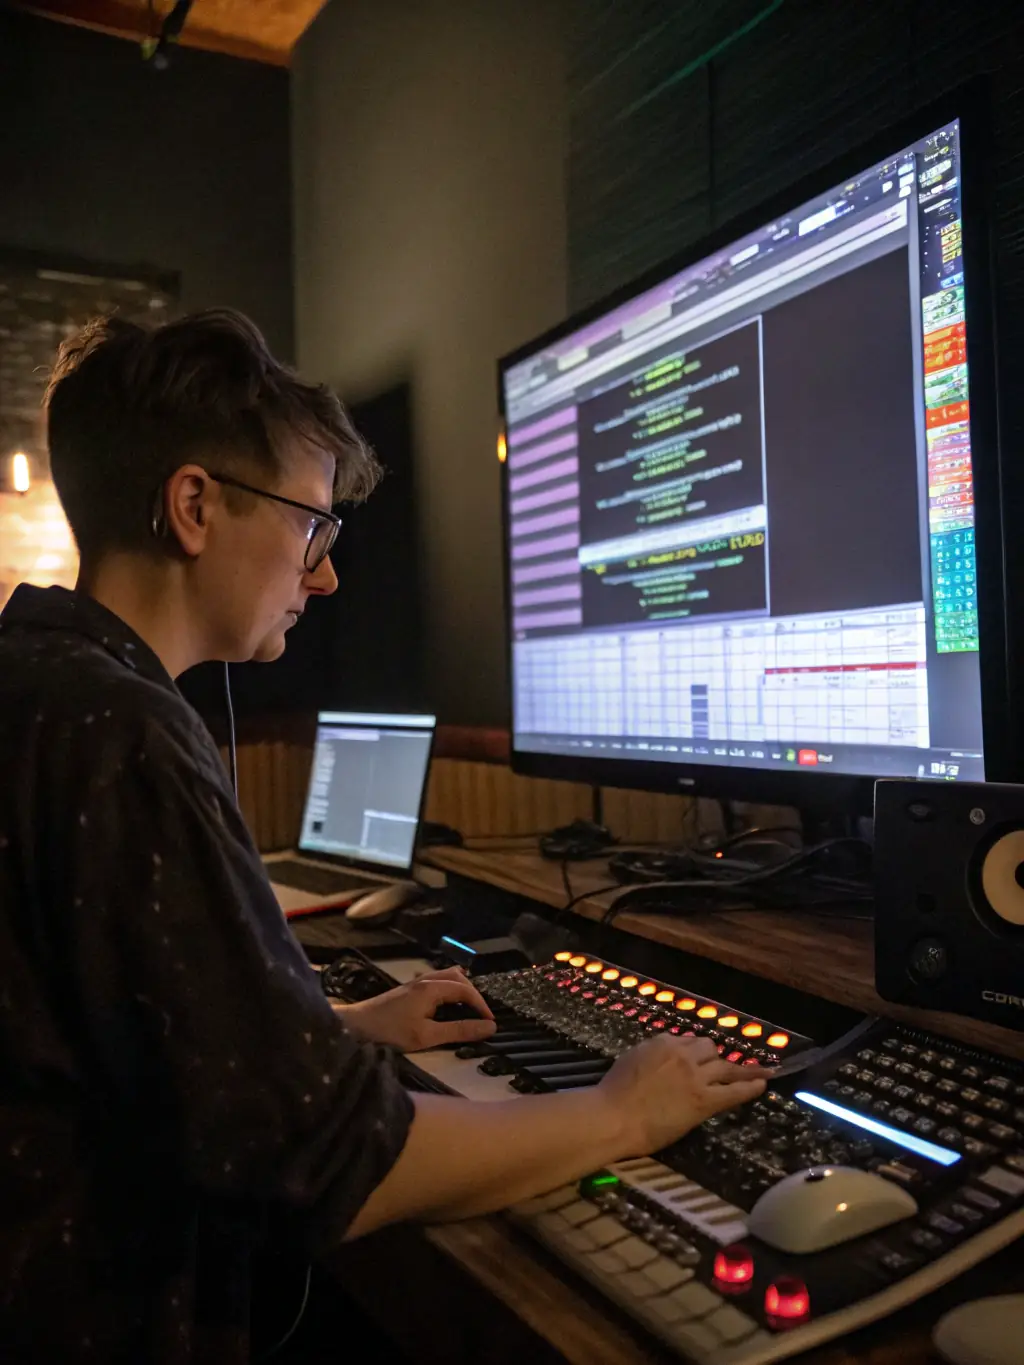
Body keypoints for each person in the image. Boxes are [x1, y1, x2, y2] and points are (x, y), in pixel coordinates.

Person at [0, 310, 769, 1364]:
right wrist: (620, 1112)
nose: (322, 577)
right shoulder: (124, 734)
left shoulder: (38, 681)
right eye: (309, 526)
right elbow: (328, 1158)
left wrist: (340, 1029)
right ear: (194, 507)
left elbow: (112, 1044)